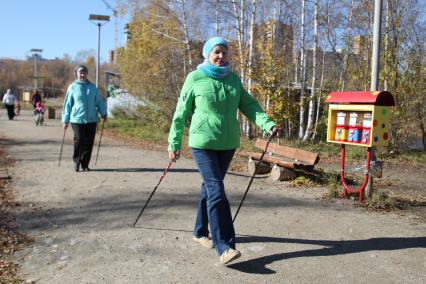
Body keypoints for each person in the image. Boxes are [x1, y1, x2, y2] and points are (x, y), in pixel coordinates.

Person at [167, 37, 280, 265]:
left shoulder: (233, 80)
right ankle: (224, 246)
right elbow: (181, 112)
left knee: (209, 189)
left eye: (225, 53)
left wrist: (268, 124)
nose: (221, 56)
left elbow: (249, 106)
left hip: (227, 143)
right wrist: (174, 142)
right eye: (217, 52)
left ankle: (200, 232)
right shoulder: (195, 78)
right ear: (207, 54)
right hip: (202, 143)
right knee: (217, 190)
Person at [62, 65, 107, 172]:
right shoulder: (72, 87)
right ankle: (77, 162)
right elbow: (67, 105)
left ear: (87, 74)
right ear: (76, 74)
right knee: (80, 140)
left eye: (84, 72)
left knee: (89, 142)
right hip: (77, 119)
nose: (82, 74)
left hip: (91, 119)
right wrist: (65, 120)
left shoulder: (92, 88)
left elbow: (99, 102)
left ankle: (85, 164)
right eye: (80, 72)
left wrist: (103, 113)